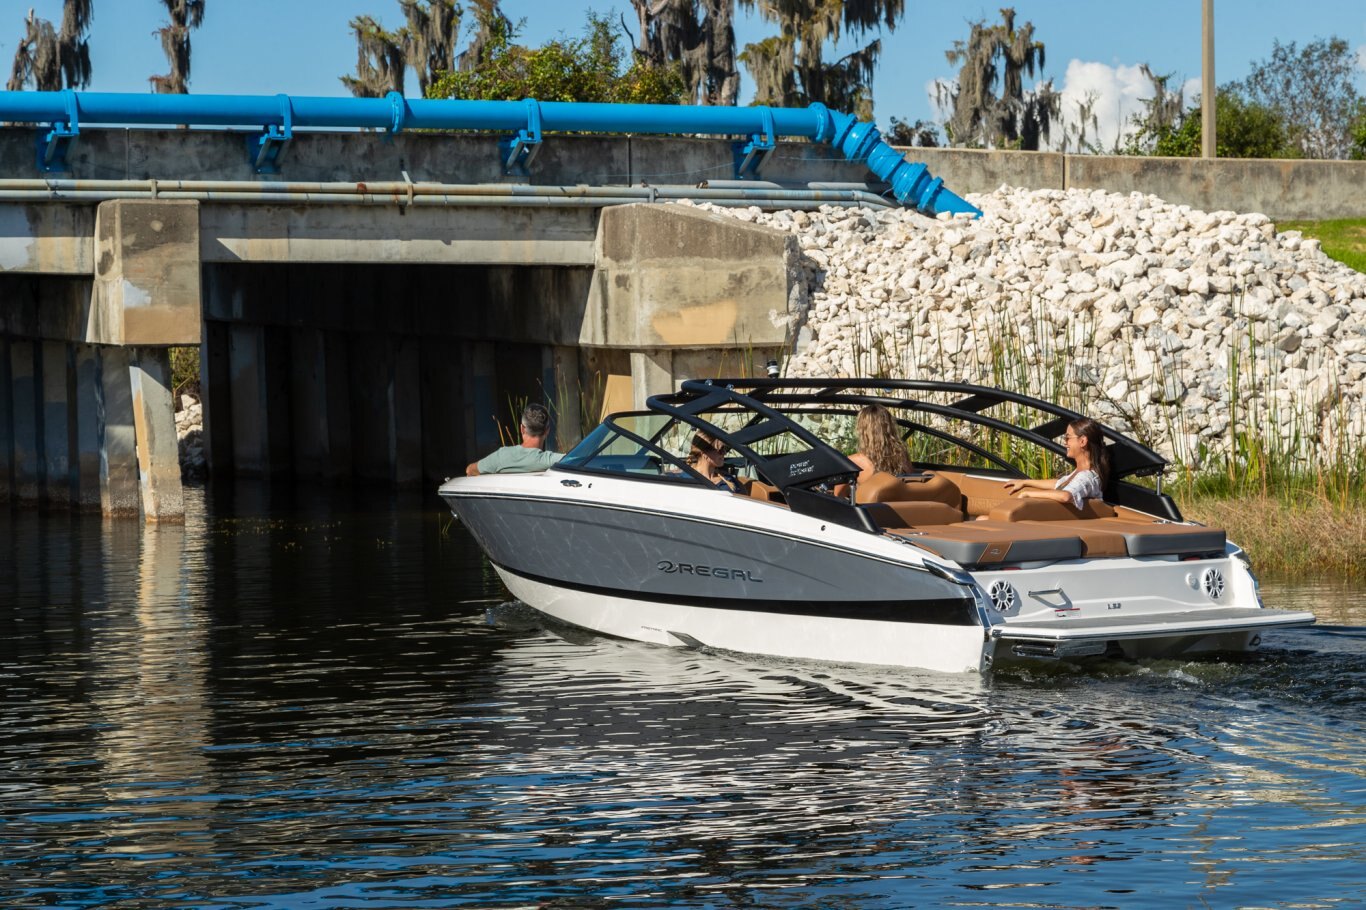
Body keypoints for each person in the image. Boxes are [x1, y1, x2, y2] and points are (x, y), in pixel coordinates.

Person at [1002, 417, 1110, 509]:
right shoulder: (1080, 472)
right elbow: (1059, 484)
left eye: (1067, 438)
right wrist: (1025, 482)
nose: (1065, 442)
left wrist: (1028, 494)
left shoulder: (1088, 476)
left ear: (1082, 441)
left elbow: (1065, 496)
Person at [465, 403, 562, 476]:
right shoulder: (551, 460)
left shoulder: (501, 456)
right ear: (547, 431)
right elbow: (570, 460)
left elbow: (469, 470)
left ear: (522, 429)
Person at [849, 403, 912, 484]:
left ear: (862, 431)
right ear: (890, 427)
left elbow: (837, 492)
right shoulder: (901, 456)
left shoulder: (853, 461)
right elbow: (911, 483)